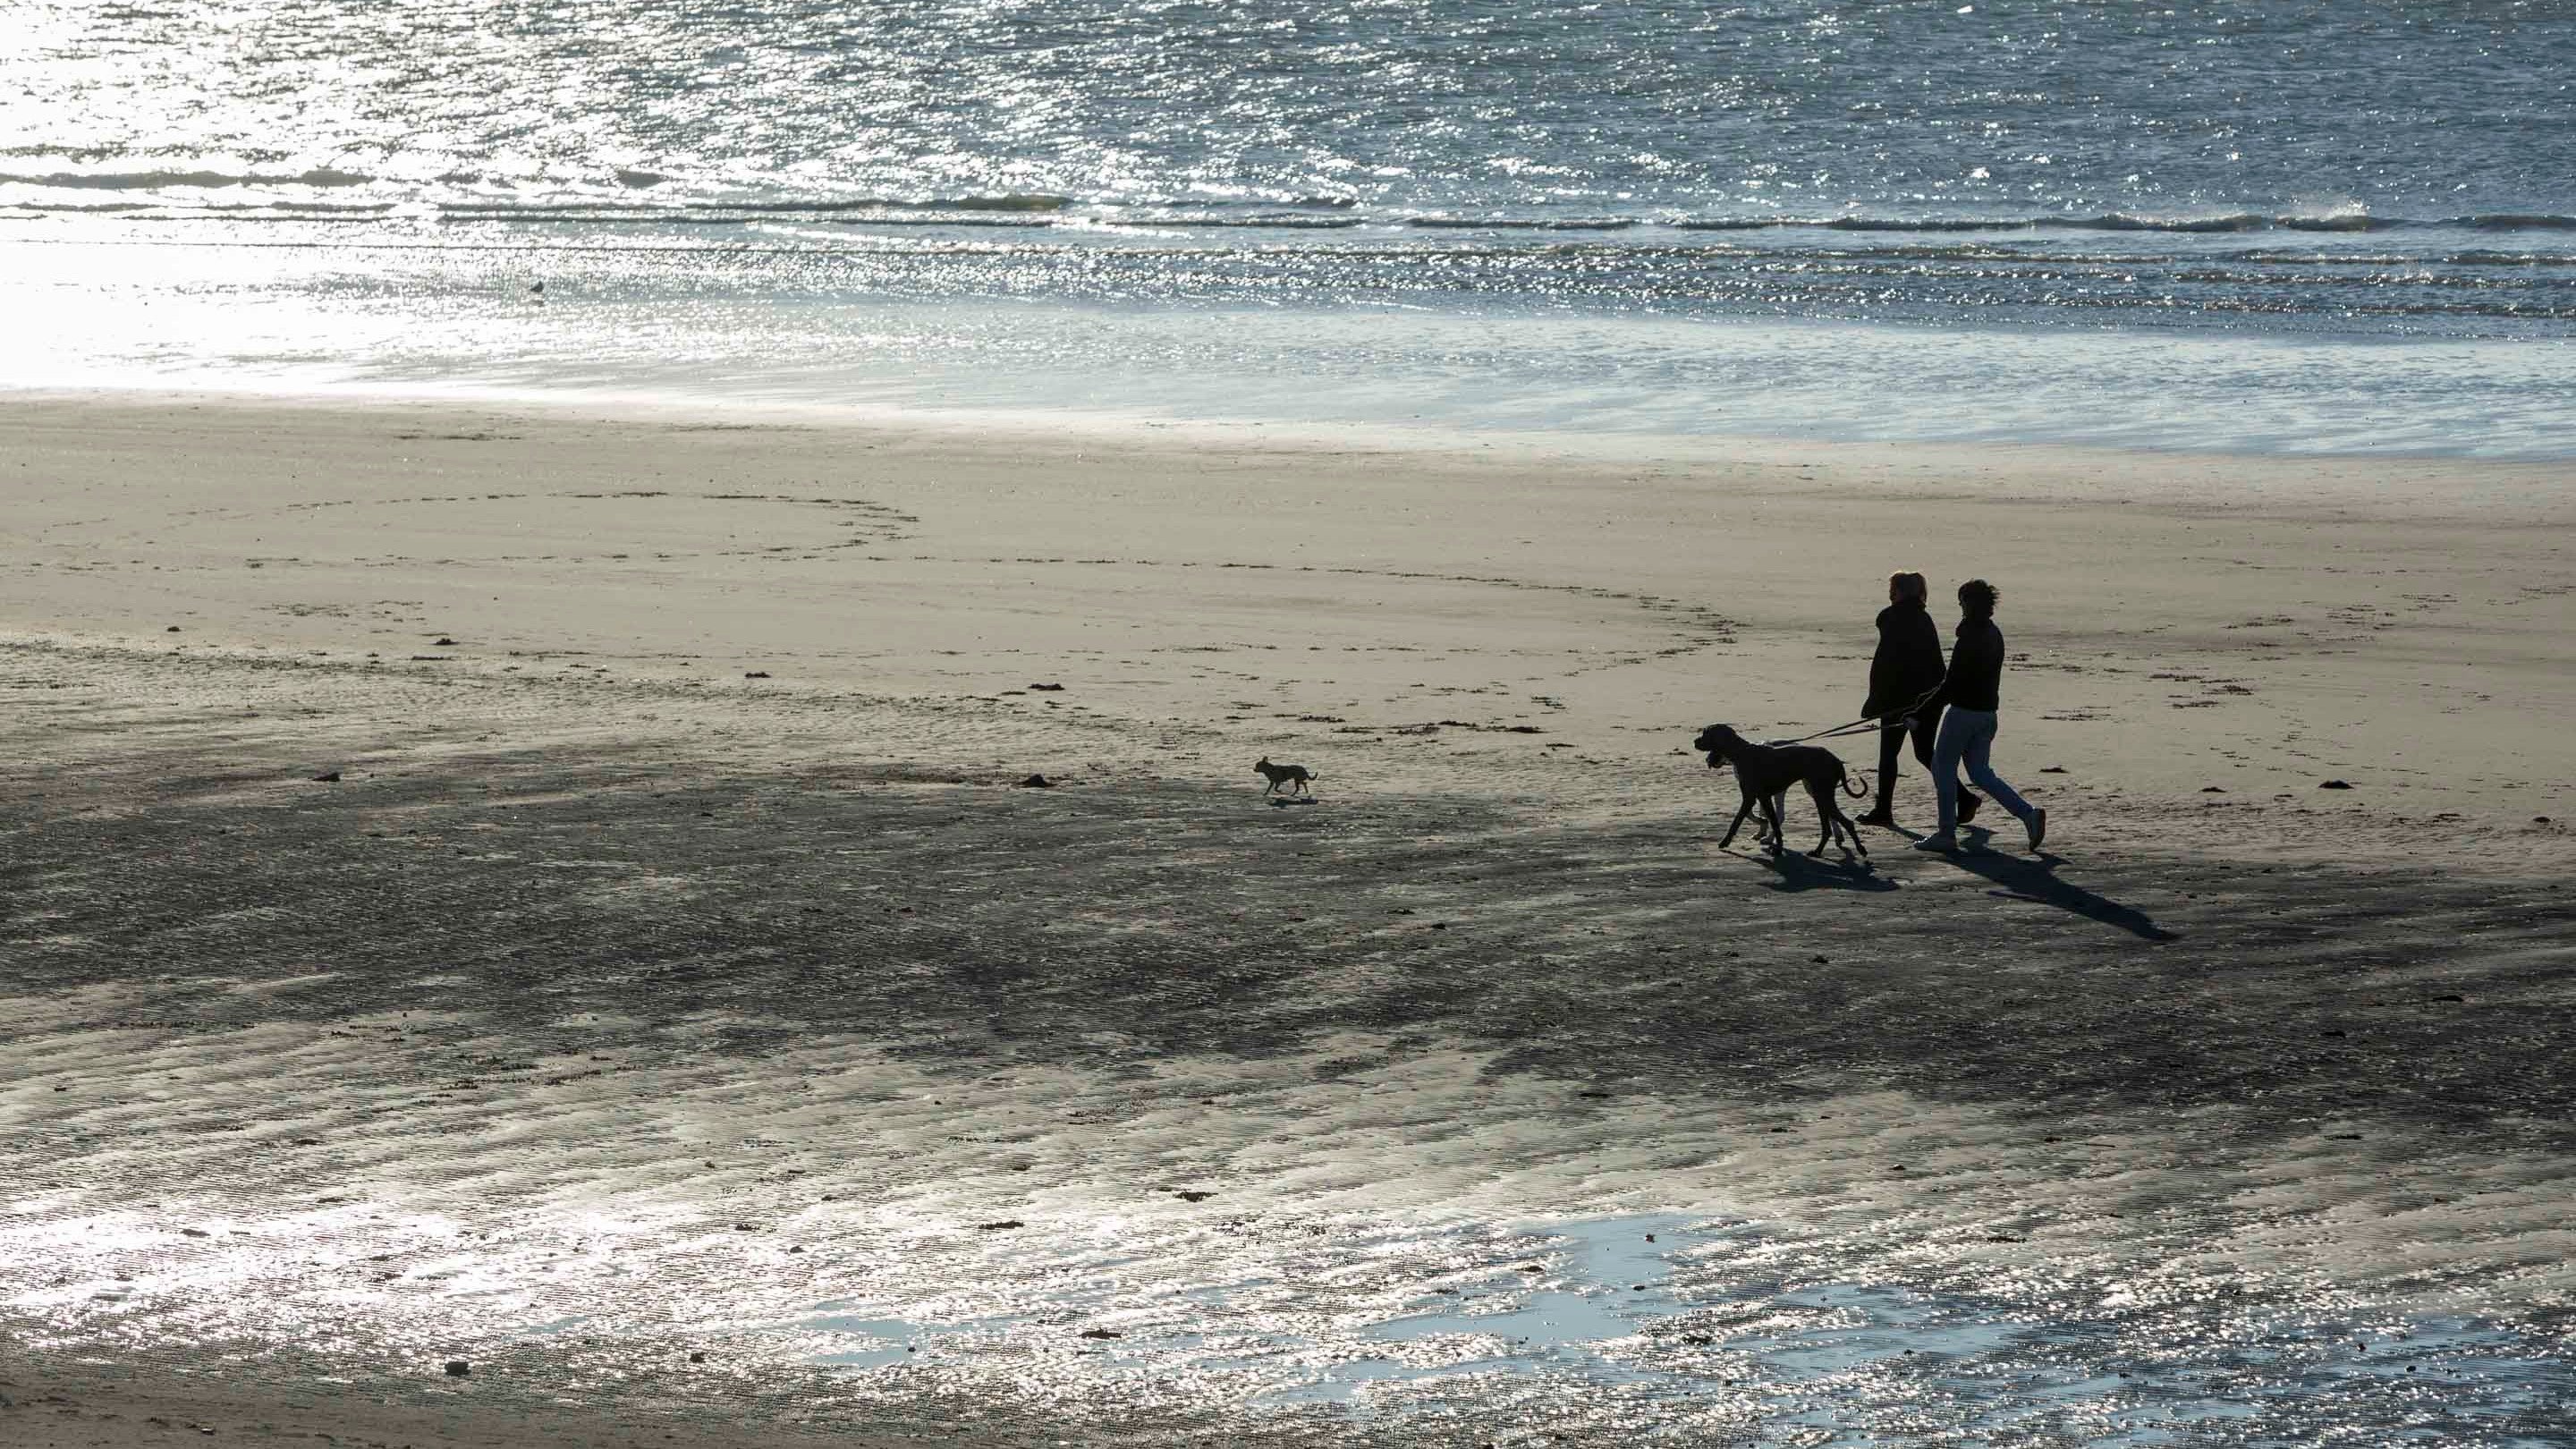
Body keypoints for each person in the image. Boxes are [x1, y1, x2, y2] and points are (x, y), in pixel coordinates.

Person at [1908, 578, 2046, 853]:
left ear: (1970, 603)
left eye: (1961, 602)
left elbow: (1953, 682)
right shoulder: (1994, 632)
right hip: (1987, 714)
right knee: (1981, 773)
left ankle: (1946, 833)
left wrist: (1920, 712)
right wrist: (1924, 704)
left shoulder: (1971, 635)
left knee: (1942, 767)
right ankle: (2028, 814)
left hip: (1964, 713)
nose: (1960, 607)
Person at [1855, 571, 1979, 828]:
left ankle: (1884, 810)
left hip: (1901, 700)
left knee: (1890, 754)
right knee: (1924, 752)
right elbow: (1930, 665)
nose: (1890, 594)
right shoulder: (1923, 618)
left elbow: (1887, 667)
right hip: (1929, 698)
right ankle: (1965, 798)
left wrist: (1877, 703)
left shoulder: (1893, 618)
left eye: (1893, 589)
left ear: (1899, 592)